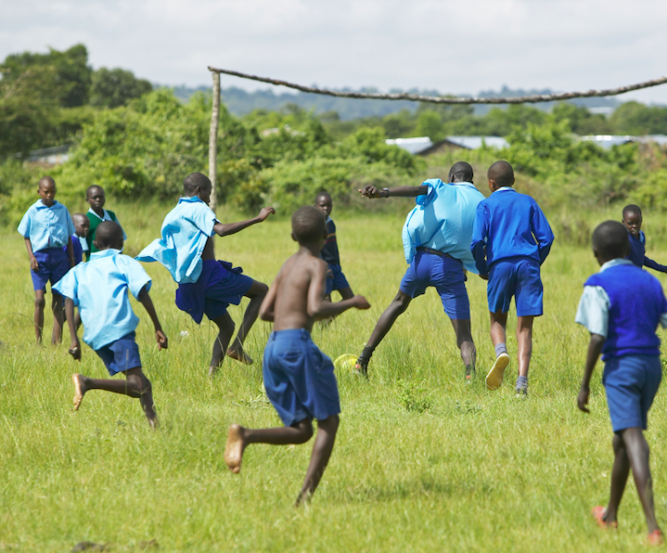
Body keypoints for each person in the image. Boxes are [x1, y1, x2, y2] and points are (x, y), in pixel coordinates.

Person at [223, 206, 370, 505]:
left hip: (273, 348)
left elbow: (265, 312)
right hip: (296, 346)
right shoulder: (317, 265)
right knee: (328, 423)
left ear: (292, 236)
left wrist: (290, 315)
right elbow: (316, 308)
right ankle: (304, 499)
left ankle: (245, 435)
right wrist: (351, 301)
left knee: (302, 430)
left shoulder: (287, 265)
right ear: (326, 236)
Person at [576, 220, 664, 545]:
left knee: (633, 437)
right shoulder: (650, 281)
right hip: (652, 368)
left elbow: (598, 334)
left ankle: (653, 526)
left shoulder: (598, 283)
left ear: (595, 253)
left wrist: (584, 383)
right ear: (629, 249)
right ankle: (610, 515)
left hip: (622, 367)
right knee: (622, 442)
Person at [354, 162, 485, 381]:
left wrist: (382, 193)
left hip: (422, 261)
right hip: (451, 267)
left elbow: (416, 190)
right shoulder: (481, 201)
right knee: (463, 334)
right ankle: (470, 376)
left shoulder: (440, 187)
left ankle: (362, 361)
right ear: (472, 180)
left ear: (451, 176)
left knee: (398, 303)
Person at [137, 172, 274, 375]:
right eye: (209, 192)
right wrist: (257, 218)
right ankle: (236, 346)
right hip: (209, 275)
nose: (210, 198)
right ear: (198, 190)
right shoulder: (198, 207)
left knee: (226, 325)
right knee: (262, 291)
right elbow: (221, 230)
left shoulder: (173, 213)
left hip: (189, 282)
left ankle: (212, 378)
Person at [54, 221, 167, 428]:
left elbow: (68, 301)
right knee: (137, 385)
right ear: (121, 243)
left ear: (95, 243)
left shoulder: (80, 269)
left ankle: (154, 425)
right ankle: (87, 382)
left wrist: (73, 339)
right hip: (118, 329)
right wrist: (157, 327)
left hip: (95, 337)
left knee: (142, 382)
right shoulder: (123, 262)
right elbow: (142, 293)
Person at [471, 161, 554, 395]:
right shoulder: (528, 202)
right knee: (524, 327)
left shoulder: (485, 205)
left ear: (490, 183)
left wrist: (482, 267)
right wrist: (535, 261)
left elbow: (477, 241)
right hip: (528, 265)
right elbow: (547, 238)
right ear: (514, 181)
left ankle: (501, 352)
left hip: (499, 265)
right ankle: (522, 383)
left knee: (497, 319)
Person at [17, 176, 76, 345]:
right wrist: (32, 256)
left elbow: (70, 236)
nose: (49, 195)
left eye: (52, 191)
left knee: (58, 301)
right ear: (39, 192)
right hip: (40, 258)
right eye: (46, 192)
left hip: (59, 257)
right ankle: (38, 341)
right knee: (39, 299)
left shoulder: (62, 210)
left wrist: (71, 258)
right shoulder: (32, 211)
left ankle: (56, 342)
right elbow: (26, 236)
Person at [314, 192, 354, 301]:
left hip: (335, 266)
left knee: (349, 297)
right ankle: (326, 317)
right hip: (324, 266)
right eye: (322, 206)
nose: (326, 208)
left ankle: (330, 317)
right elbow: (315, 249)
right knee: (326, 297)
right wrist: (325, 267)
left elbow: (333, 247)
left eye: (329, 205)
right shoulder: (316, 225)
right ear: (315, 206)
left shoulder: (330, 223)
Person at [621, 204, 667, 273]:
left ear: (641, 220)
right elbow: (624, 264)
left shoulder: (641, 236)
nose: (634, 226)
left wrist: (662, 268)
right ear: (623, 222)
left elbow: (641, 258)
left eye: (638, 222)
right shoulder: (624, 239)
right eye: (630, 223)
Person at [85, 185, 126, 258]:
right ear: (87, 200)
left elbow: (121, 237)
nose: (98, 200)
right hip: (95, 260)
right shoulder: (86, 219)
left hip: (113, 258)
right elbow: (82, 246)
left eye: (101, 197)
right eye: (94, 197)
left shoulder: (111, 215)